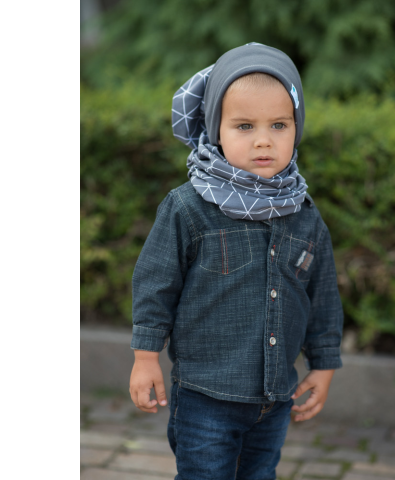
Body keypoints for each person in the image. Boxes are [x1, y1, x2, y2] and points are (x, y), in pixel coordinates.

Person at [129, 43, 344, 480]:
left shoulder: (304, 212)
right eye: (244, 126)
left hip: (275, 397)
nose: (263, 140)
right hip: (205, 396)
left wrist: (323, 365)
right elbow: (155, 284)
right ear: (216, 130)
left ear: (296, 128)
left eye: (279, 125)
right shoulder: (189, 207)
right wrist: (145, 357)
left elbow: (322, 295)